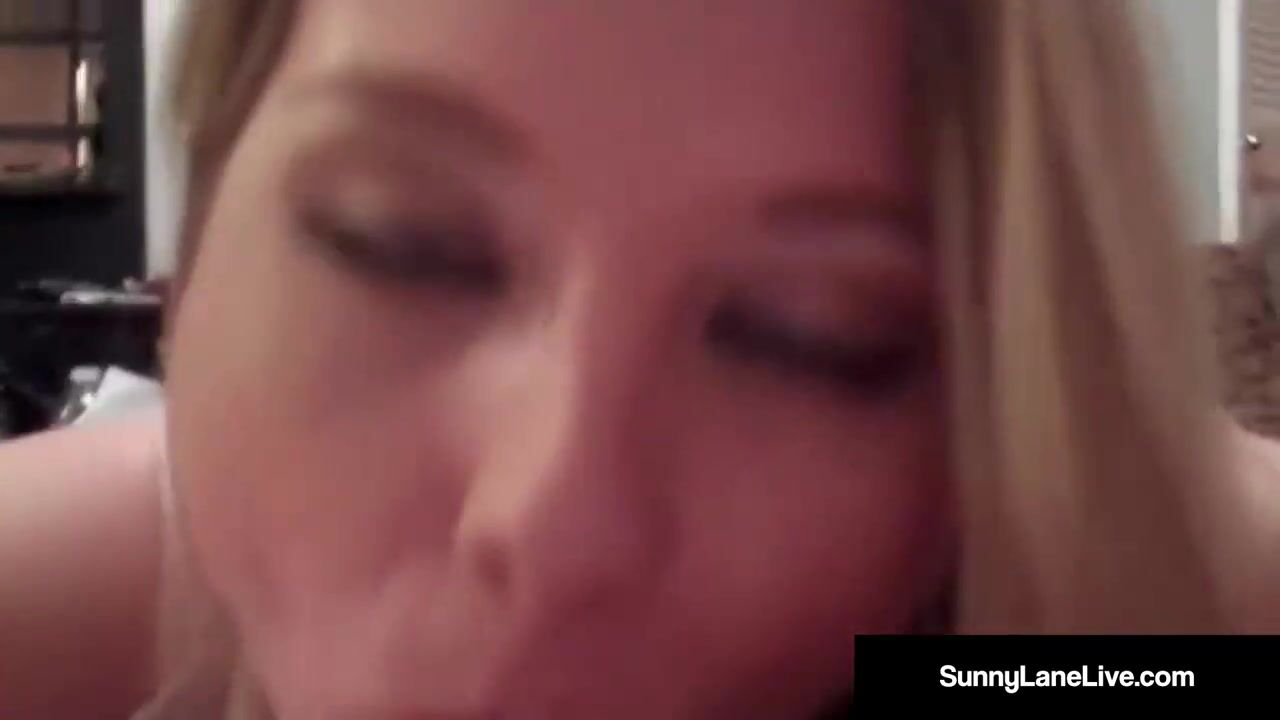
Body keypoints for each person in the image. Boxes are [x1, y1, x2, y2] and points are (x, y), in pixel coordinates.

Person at [2, 1, 1279, 718]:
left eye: (802, 334)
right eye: (404, 245)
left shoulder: (1056, 614)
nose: (548, 518)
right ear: (197, 259)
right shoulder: (123, 580)